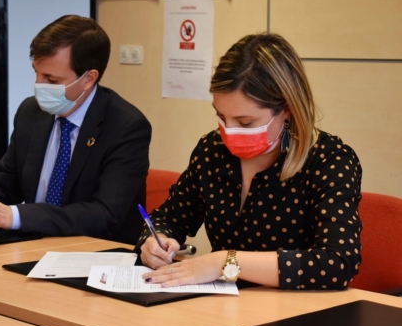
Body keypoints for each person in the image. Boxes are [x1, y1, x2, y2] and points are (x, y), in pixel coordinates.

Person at [138, 33, 362, 290]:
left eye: (245, 122)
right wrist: (155, 241)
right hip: (222, 308)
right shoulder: (212, 150)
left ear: (286, 108)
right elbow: (170, 217)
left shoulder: (329, 160)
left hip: (295, 313)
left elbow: (337, 263)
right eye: (221, 116)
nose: (229, 131)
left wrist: (225, 261)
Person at [0, 15, 152, 244]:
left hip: (94, 253)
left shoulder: (125, 127)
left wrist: (16, 215)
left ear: (89, 79)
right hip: (31, 245)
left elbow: (104, 214)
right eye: (36, 73)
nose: (39, 85)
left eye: (52, 79)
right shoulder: (31, 112)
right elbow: (5, 183)